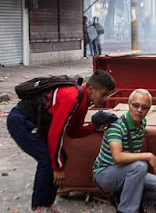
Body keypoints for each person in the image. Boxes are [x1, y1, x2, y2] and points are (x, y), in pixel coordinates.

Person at [6, 70, 117, 212]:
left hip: (35, 124)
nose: (105, 98)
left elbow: (73, 132)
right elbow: (55, 133)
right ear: (91, 89)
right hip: (21, 122)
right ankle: (38, 206)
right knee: (47, 161)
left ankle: (47, 205)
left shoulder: (83, 103)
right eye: (104, 94)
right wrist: (57, 168)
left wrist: (94, 125)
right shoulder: (72, 97)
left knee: (60, 158)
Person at [92, 89, 156, 213]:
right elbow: (117, 157)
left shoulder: (141, 122)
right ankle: (126, 210)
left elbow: (144, 131)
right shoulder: (116, 126)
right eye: (136, 105)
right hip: (105, 174)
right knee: (140, 165)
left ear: (148, 109)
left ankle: (124, 199)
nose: (139, 110)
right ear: (129, 104)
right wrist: (148, 155)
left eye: (144, 107)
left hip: (128, 172)